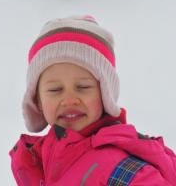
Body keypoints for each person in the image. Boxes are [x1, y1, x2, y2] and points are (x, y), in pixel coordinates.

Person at [9, 15, 176, 186]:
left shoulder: (119, 169)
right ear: (38, 102)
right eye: (55, 90)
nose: (69, 100)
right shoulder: (40, 162)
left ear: (105, 94)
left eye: (83, 87)